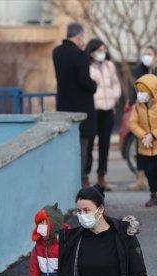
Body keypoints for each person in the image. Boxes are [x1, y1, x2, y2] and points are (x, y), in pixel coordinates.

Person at [52, 22, 97, 188]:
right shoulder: (79, 54)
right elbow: (85, 81)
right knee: (83, 147)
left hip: (64, 105)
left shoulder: (56, 52)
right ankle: (81, 181)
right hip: (82, 107)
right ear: (78, 36)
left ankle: (67, 182)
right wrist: (95, 85)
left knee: (67, 147)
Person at [128, 45, 157, 192]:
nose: (146, 56)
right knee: (141, 146)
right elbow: (135, 88)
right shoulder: (140, 68)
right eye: (144, 53)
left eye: (149, 53)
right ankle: (140, 178)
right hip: (141, 110)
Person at [128, 73, 157, 207]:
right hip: (144, 146)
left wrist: (152, 135)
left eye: (142, 91)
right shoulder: (137, 106)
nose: (139, 94)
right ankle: (154, 194)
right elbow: (132, 123)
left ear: (152, 91)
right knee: (149, 171)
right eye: (138, 91)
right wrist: (143, 135)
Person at [86, 38, 121, 192]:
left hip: (108, 108)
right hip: (93, 109)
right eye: (99, 50)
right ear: (92, 51)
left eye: (104, 50)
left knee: (105, 144)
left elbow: (116, 84)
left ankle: (102, 177)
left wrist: (114, 98)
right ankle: (85, 176)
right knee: (89, 143)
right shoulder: (86, 66)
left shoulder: (109, 65)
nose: (102, 53)